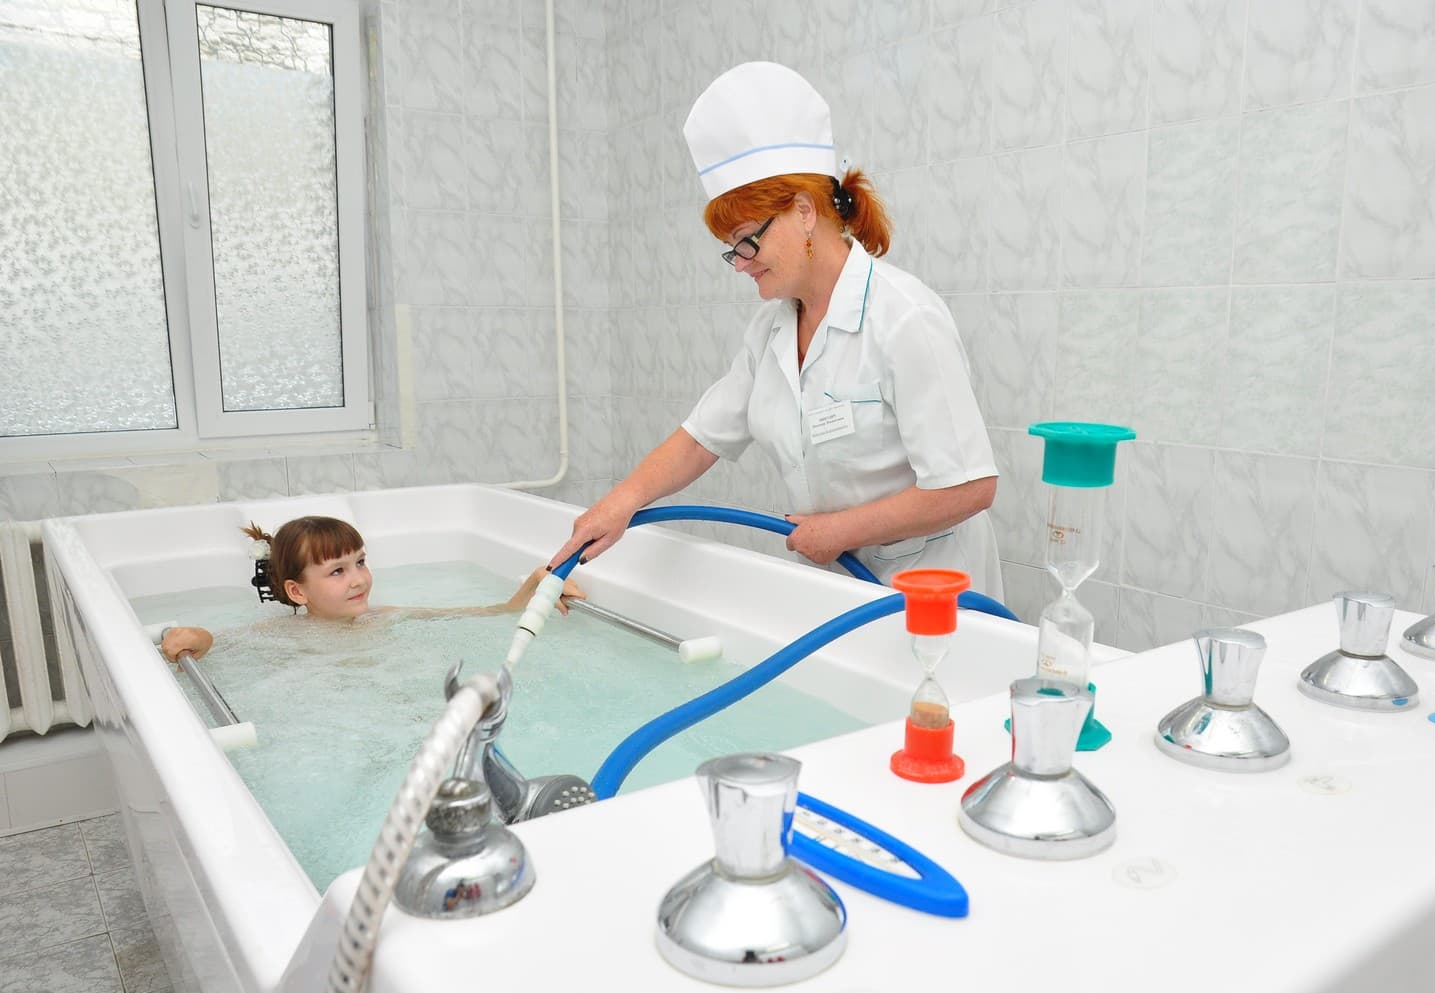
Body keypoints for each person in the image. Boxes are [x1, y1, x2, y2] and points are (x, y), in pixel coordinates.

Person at [548, 61, 1003, 601]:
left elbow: (970, 486)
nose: (740, 263)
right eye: (732, 249)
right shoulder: (772, 330)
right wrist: (619, 504)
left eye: (747, 240)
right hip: (841, 592)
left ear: (804, 212)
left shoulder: (905, 318)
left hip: (934, 594)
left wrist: (841, 531)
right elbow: (701, 438)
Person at [160, 516, 582, 663]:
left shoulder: (386, 615)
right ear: (298, 592)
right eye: (337, 571)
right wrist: (199, 636)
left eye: (360, 562)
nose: (359, 579)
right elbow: (225, 645)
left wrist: (536, 586)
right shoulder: (286, 633)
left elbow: (492, 613)